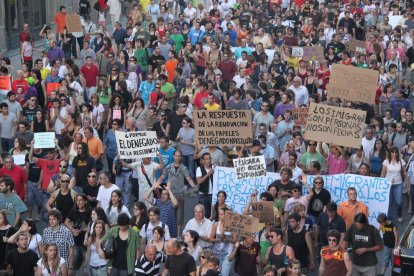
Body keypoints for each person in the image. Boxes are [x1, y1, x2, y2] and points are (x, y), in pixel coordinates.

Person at [209, 207, 236, 276]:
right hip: (217, 254)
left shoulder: (233, 225)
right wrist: (218, 239)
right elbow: (211, 238)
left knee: (224, 274)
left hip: (228, 255)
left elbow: (235, 241)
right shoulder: (216, 224)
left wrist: (227, 238)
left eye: (221, 214)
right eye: (219, 214)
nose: (219, 216)